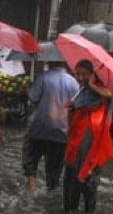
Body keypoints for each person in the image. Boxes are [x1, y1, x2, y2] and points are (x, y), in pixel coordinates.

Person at [63, 60, 113, 213]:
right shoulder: (81, 91)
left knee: (88, 184)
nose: (80, 77)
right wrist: (71, 108)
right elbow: (71, 121)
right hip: (75, 142)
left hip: (91, 144)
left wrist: (91, 85)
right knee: (71, 180)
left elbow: (109, 94)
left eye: (84, 74)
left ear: (93, 75)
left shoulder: (100, 91)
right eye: (77, 74)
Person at [23, 60, 80, 193]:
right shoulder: (74, 83)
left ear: (51, 61)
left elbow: (32, 97)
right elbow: (77, 106)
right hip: (62, 132)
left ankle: (32, 184)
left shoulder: (43, 77)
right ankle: (50, 188)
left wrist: (29, 88)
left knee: (31, 157)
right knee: (54, 168)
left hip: (38, 128)